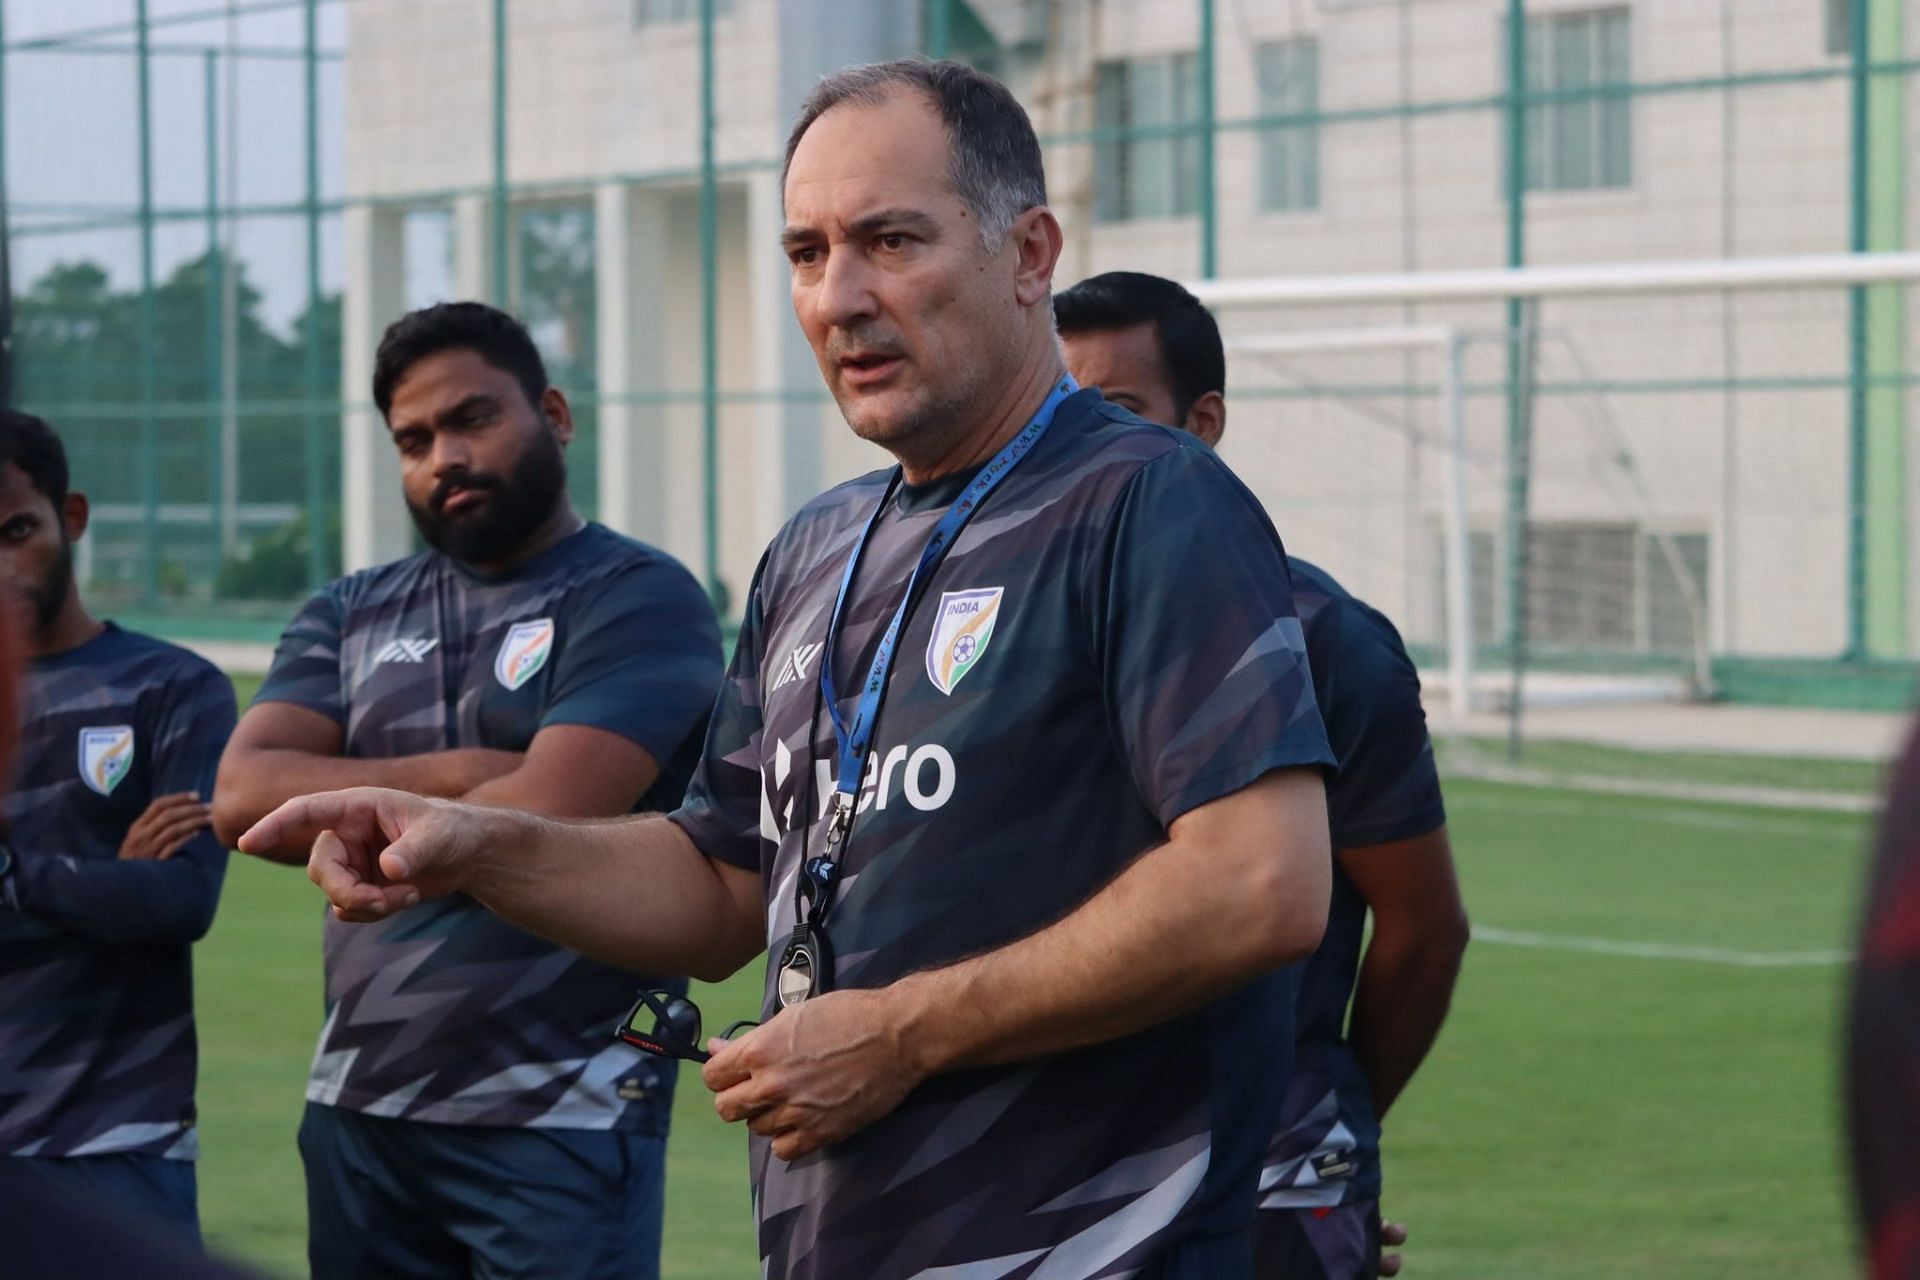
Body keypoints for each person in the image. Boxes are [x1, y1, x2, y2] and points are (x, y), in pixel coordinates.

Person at [242, 60, 1335, 1279]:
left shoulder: (1148, 497)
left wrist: (902, 1033)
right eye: (807, 253)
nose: (841, 297)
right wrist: (469, 839)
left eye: (891, 239)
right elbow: (718, 881)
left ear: (1030, 255)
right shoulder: (817, 545)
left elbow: (1259, 882)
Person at [209, 303, 723, 1280]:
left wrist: (367, 785)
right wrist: (459, 771)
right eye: (414, 438)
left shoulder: (639, 595)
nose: (444, 455)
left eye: (472, 419)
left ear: (555, 414)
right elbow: (243, 794)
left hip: (561, 1108)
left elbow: (546, 809)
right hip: (358, 1105)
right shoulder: (350, 609)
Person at [1057, 270, 1471, 1280]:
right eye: (1055, 412)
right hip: (1053, 1166)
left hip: (1273, 1177)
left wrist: (1323, 1132)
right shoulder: (1016, 627)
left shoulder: (1323, 641)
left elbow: (1424, 927)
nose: (1076, 443)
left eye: (1115, 411)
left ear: (1203, 424)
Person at [0, 410, 237, 1245]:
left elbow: (179, 898)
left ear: (70, 518)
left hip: (120, 1145)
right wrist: (103, 875)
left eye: (17, 531)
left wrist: (16, 876)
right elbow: (132, 892)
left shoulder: (171, 689)